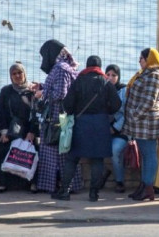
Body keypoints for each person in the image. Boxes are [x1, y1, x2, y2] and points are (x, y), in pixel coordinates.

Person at [52, 55, 121, 202]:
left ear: (87, 66)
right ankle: (93, 194)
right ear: (100, 67)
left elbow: (67, 105)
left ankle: (64, 191)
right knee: (97, 160)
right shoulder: (106, 83)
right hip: (101, 125)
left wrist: (74, 113)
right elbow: (117, 105)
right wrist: (105, 112)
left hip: (80, 124)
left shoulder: (78, 81)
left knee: (72, 159)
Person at [33, 39, 83, 194]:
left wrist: (43, 93)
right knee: (63, 151)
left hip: (56, 117)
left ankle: (57, 186)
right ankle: (68, 185)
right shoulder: (64, 66)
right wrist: (43, 86)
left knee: (54, 151)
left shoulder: (60, 68)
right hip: (62, 116)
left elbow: (61, 93)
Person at [122, 48, 159, 202]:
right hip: (141, 122)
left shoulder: (154, 76)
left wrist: (134, 115)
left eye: (141, 58)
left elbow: (149, 100)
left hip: (146, 122)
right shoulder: (146, 73)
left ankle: (148, 188)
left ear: (149, 60)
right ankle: (143, 186)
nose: (139, 61)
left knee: (149, 154)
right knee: (145, 154)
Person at [0, 61, 37, 193]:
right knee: (1, 148)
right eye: (14, 74)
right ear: (10, 76)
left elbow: (36, 114)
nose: (17, 76)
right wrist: (4, 132)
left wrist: (32, 132)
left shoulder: (31, 92)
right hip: (10, 129)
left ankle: (32, 183)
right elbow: (0, 113)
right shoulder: (6, 91)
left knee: (35, 149)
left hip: (26, 130)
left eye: (20, 73)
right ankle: (2, 183)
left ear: (24, 74)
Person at [106, 64, 128, 193]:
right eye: (108, 75)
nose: (110, 78)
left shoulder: (123, 91)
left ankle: (119, 181)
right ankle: (102, 174)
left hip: (122, 131)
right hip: (105, 129)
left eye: (114, 75)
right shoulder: (102, 89)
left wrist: (115, 128)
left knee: (115, 150)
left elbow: (126, 113)